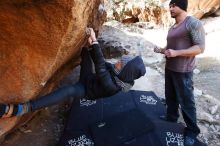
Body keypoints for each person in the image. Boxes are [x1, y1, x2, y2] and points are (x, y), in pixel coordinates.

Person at [0, 28, 146, 118]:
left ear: (126, 71)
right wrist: (88, 43)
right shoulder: (117, 72)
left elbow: (101, 68)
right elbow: (99, 62)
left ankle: (23, 108)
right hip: (89, 78)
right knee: (85, 52)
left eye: (121, 62)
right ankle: (84, 48)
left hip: (86, 90)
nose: (118, 61)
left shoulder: (114, 86)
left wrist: (95, 42)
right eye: (121, 59)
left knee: (68, 90)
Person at [154, 0, 205, 146]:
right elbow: (171, 48)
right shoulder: (172, 27)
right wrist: (162, 50)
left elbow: (200, 48)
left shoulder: (193, 23)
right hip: (170, 68)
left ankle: (192, 131)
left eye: (173, 5)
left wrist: (176, 53)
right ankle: (171, 117)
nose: (170, 8)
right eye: (170, 6)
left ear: (182, 6)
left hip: (184, 71)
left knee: (187, 102)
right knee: (170, 96)